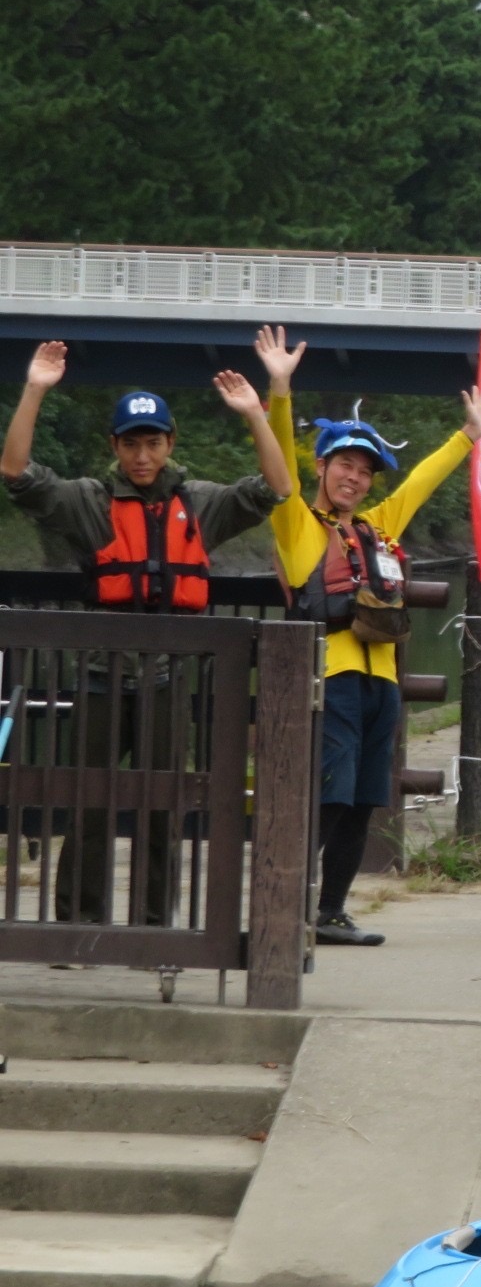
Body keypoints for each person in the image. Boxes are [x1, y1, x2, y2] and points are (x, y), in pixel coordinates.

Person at [1, 342, 295, 927]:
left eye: (153, 442)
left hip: (168, 675)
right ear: (115, 446)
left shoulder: (200, 503)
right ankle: (78, 926)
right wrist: (35, 387)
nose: (142, 455)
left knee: (164, 808)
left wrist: (257, 413)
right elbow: (15, 473)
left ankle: (155, 927)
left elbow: (277, 488)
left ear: (170, 444)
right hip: (98, 676)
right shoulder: (89, 501)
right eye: (131, 443)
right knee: (87, 802)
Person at [256, 326, 481, 946]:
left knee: (363, 800)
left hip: (381, 679)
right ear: (322, 468)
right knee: (330, 796)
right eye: (343, 466)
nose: (354, 478)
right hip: (328, 677)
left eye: (363, 470)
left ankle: (331, 912)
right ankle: (289, 905)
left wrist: (468, 435)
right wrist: (280, 390)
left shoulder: (378, 528)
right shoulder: (297, 523)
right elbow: (276, 462)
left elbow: (420, 484)